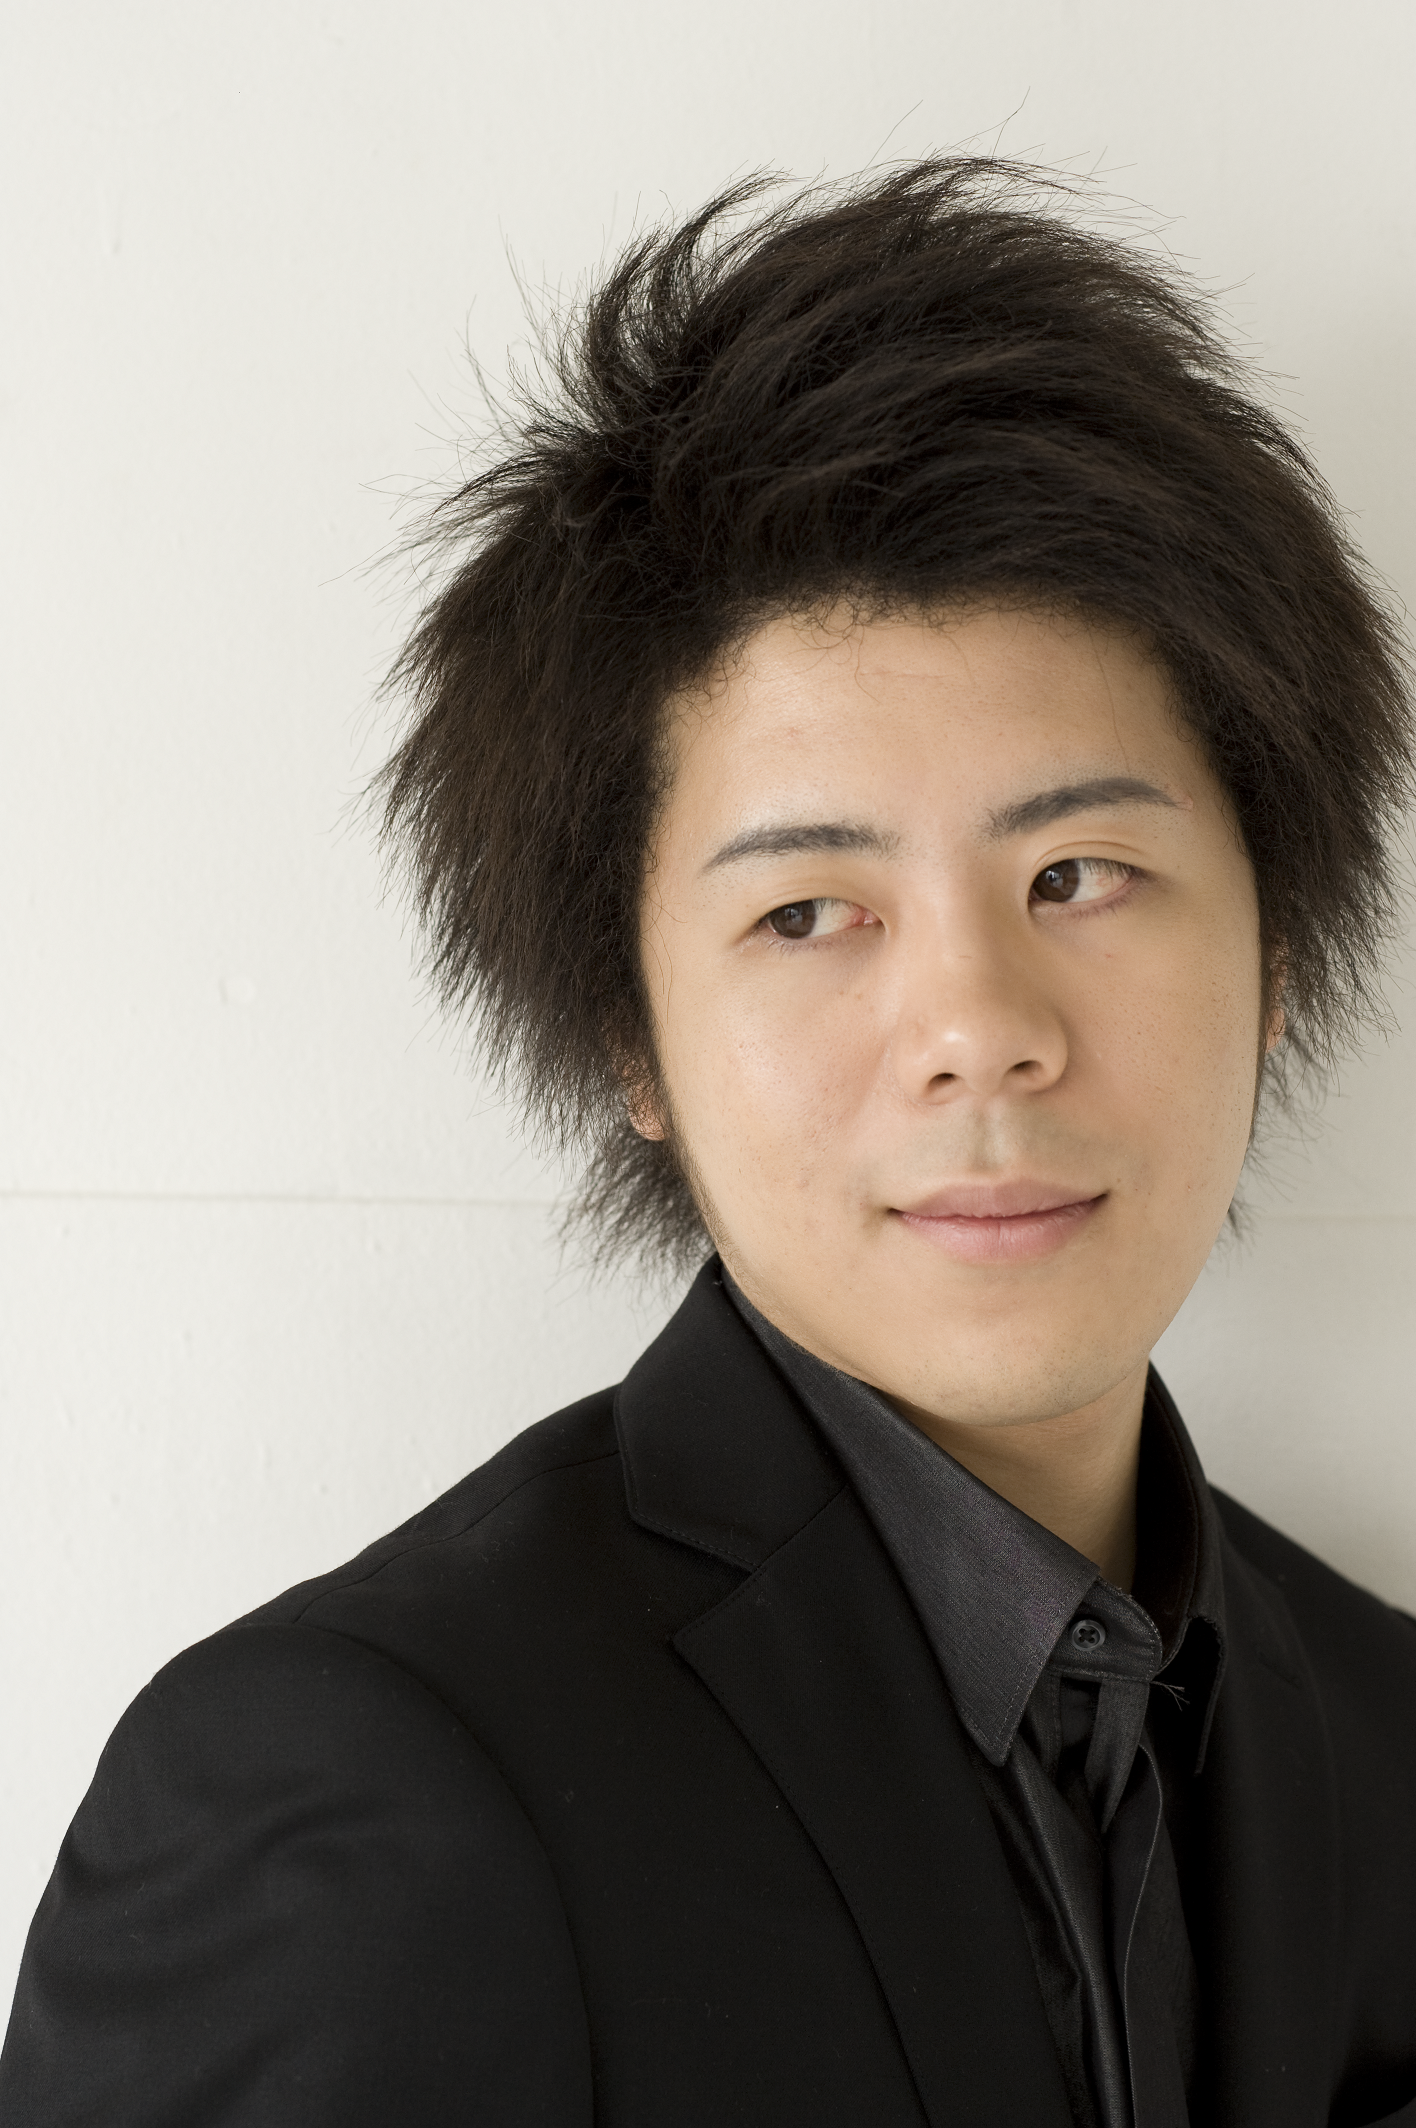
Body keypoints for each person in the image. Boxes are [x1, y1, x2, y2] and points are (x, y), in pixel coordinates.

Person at [2, 158, 1413, 2128]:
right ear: (629, 1039)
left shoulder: (1387, 1730)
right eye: (808, 912)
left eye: (1079, 873)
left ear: (1278, 954)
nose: (980, 1030)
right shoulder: (361, 1785)